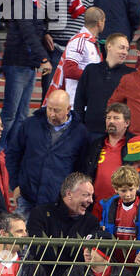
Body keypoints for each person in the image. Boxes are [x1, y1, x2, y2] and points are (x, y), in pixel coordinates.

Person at [6, 89, 88, 217]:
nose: (51, 114)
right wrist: (15, 185)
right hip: (26, 197)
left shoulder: (80, 132)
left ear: (68, 109)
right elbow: (13, 154)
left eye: (57, 110)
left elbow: (81, 168)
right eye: (49, 109)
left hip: (58, 200)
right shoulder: (30, 124)